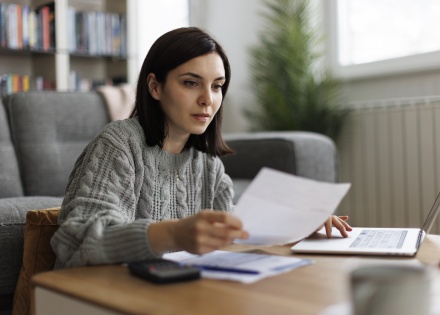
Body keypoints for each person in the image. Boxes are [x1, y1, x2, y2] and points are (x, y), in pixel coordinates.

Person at [51, 27, 351, 269]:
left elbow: (231, 229)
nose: (208, 99)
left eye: (217, 86)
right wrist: (172, 233)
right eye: (191, 83)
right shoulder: (118, 144)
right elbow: (76, 240)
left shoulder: (208, 165)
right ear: (155, 87)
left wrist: (298, 223)